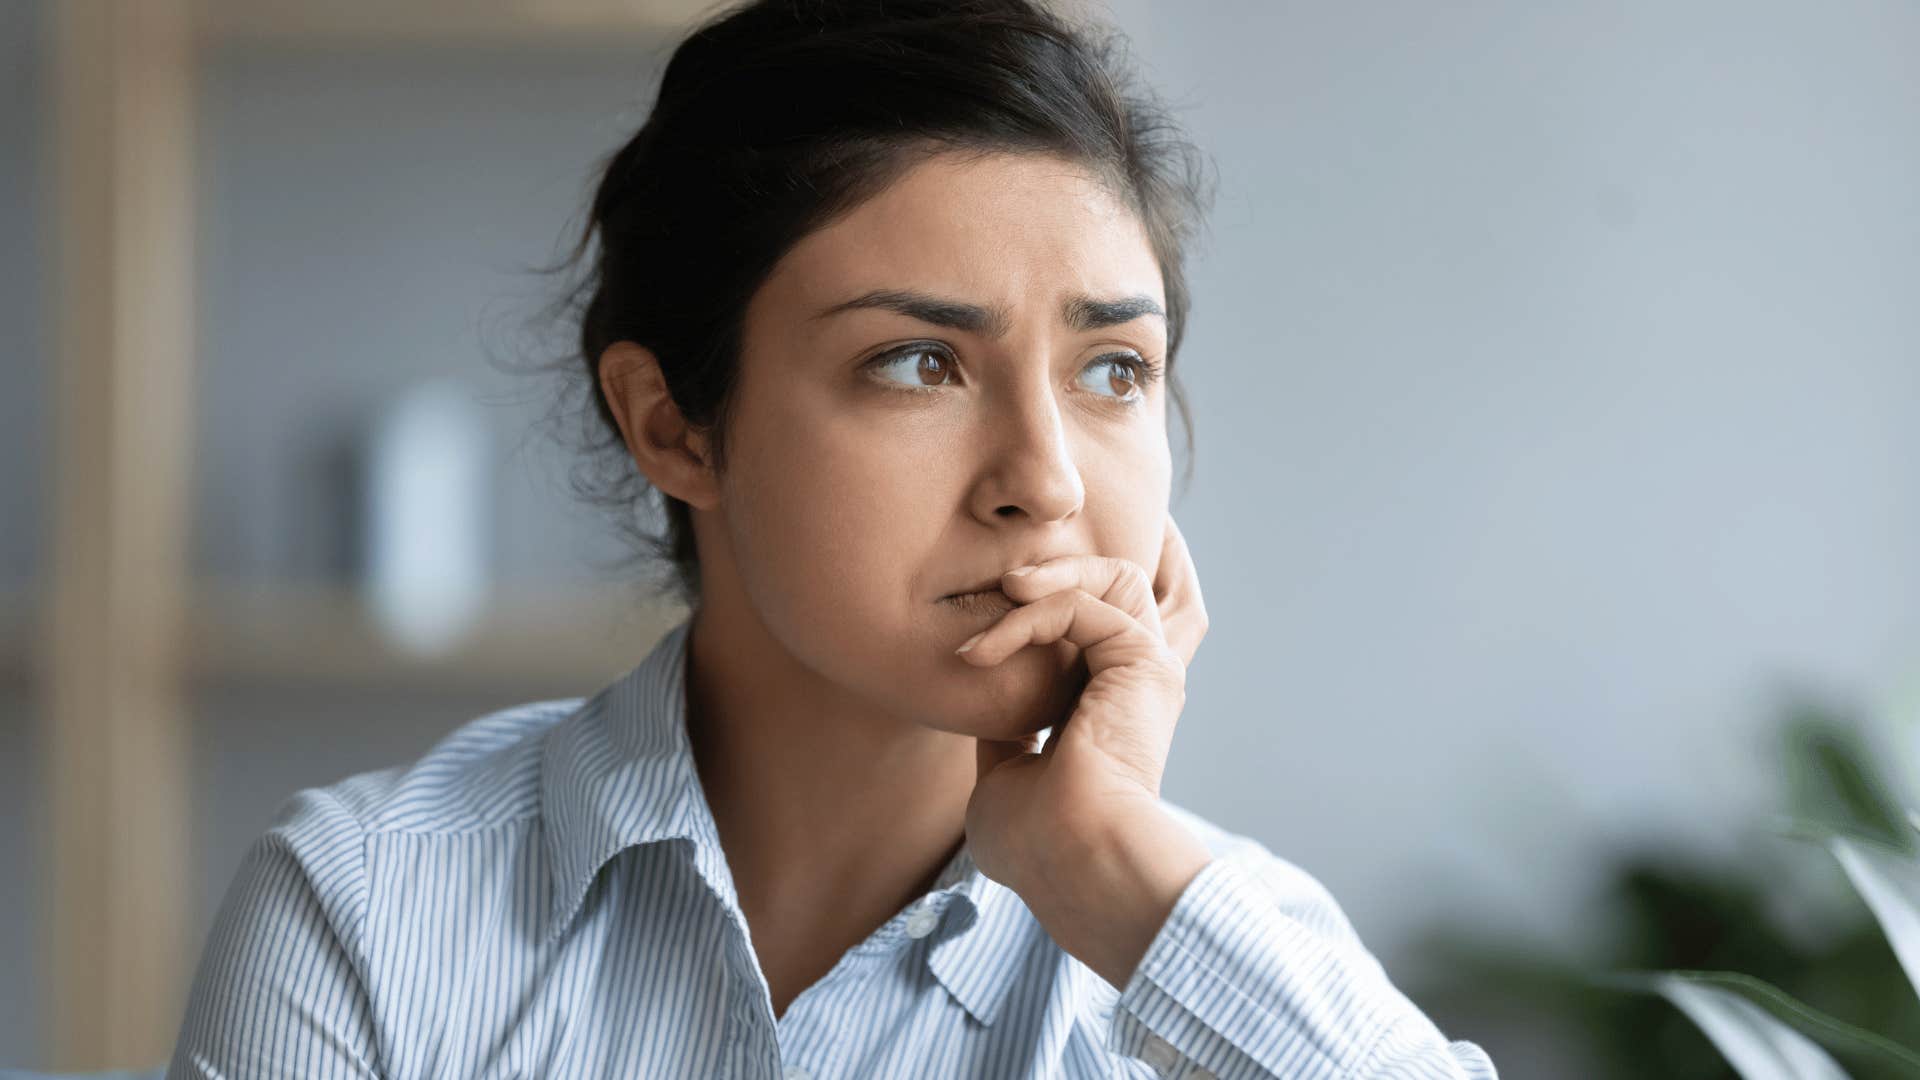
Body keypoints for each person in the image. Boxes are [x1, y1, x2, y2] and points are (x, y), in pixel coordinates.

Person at [168, 1, 1497, 1076]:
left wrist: (1109, 874)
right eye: (919, 363)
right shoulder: (370, 908)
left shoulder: (1202, 951)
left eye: (1111, 371)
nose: (1044, 483)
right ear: (675, 424)